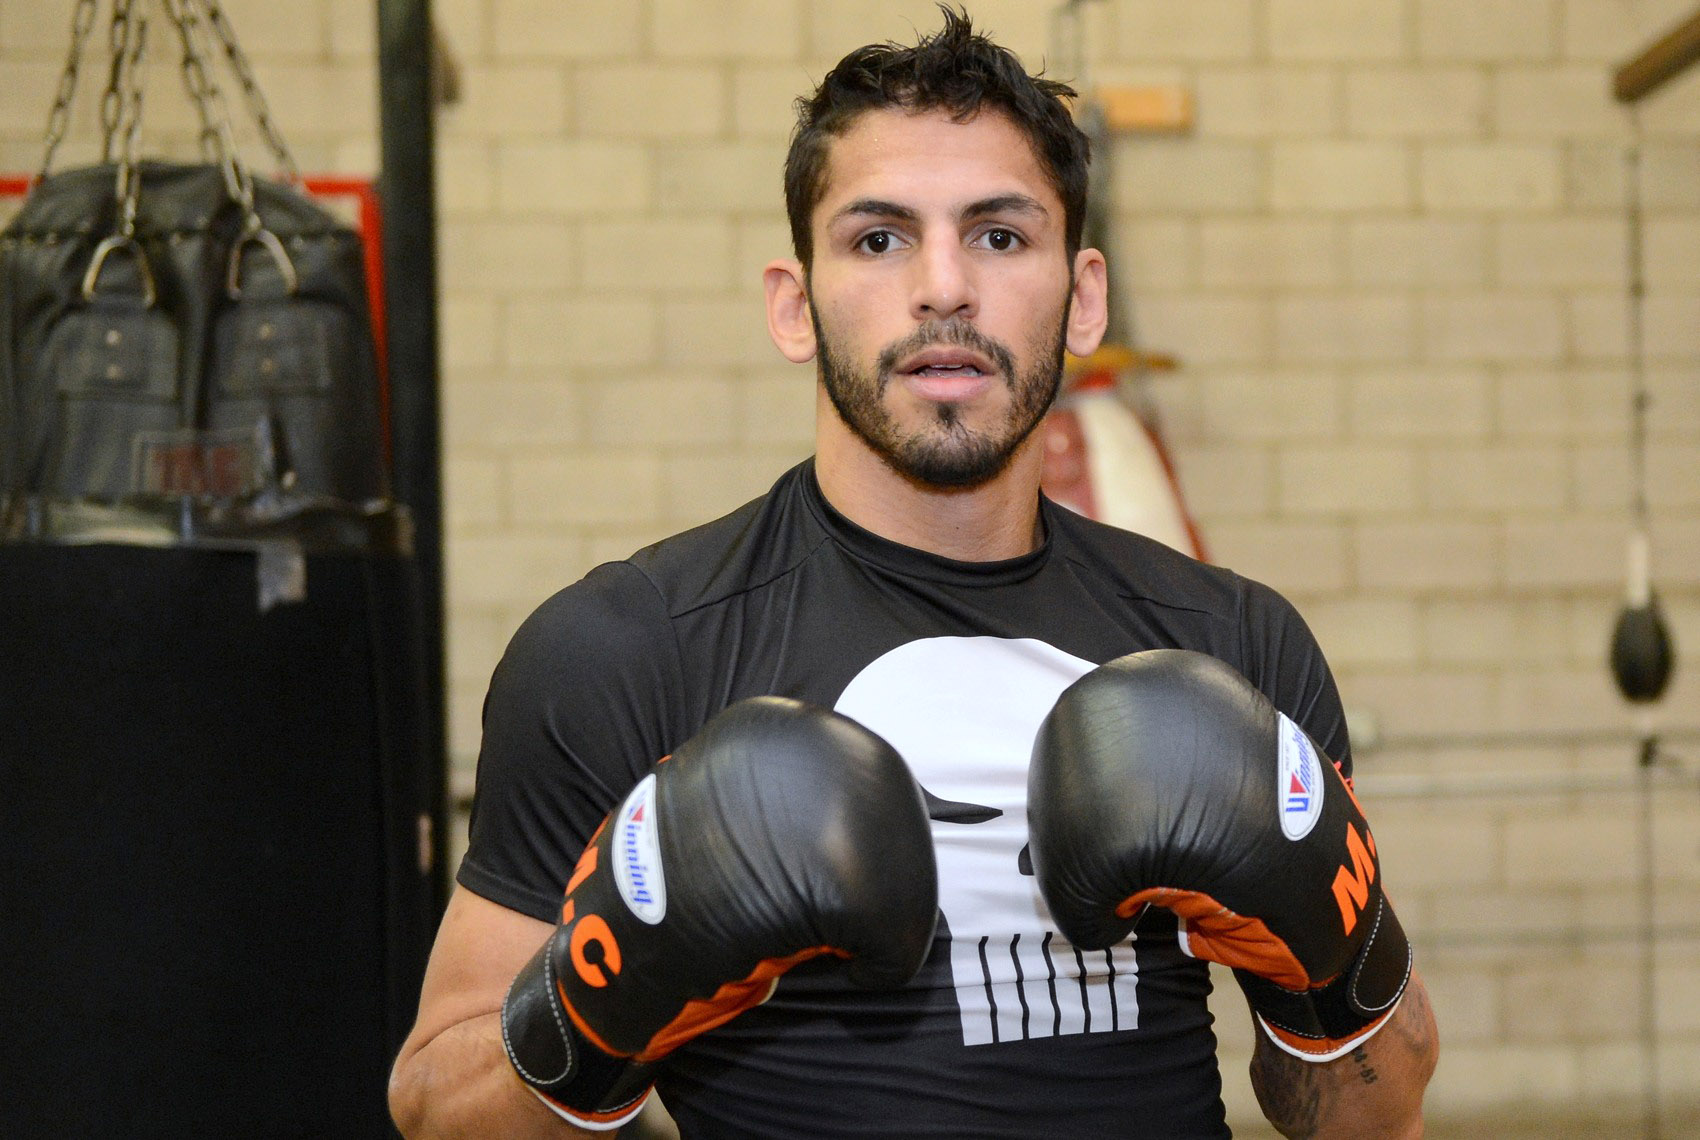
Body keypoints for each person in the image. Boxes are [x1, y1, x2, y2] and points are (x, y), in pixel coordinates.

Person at [388, 8, 1439, 1138]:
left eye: (1000, 236)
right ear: (793, 305)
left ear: (1084, 297)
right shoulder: (625, 649)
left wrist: (1337, 948)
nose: (943, 287)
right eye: (879, 239)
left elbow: (1366, 1117)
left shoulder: (1230, 641)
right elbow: (439, 1110)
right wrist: (606, 993)